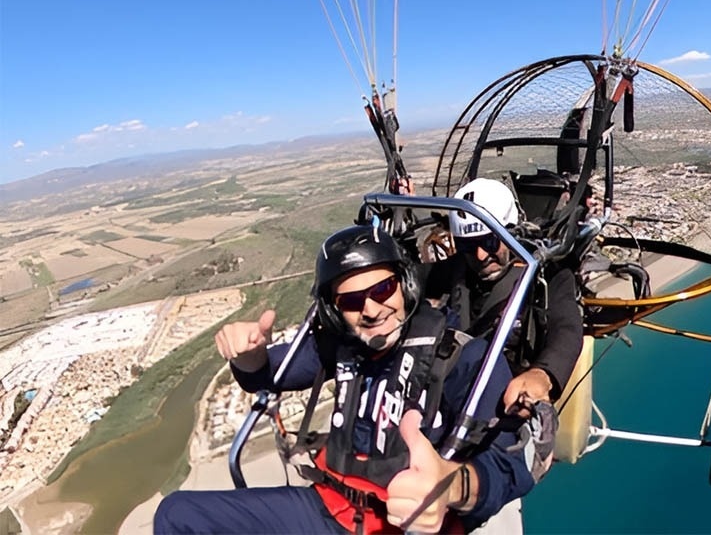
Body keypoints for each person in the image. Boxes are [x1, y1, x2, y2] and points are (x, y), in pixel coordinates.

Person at [154, 223, 534, 535]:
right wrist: (251, 357)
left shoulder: (463, 357)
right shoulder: (342, 346)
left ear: (406, 285)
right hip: (326, 507)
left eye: (382, 289)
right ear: (335, 313)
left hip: (404, 526)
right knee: (176, 515)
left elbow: (512, 467)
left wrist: (452, 486)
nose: (370, 310)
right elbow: (268, 376)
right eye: (351, 302)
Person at [424, 178, 583, 414]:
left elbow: (567, 328)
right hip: (453, 391)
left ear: (513, 232)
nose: (480, 255)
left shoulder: (547, 274)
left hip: (508, 397)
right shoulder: (453, 270)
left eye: (489, 241)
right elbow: (408, 279)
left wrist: (543, 375)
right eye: (467, 245)